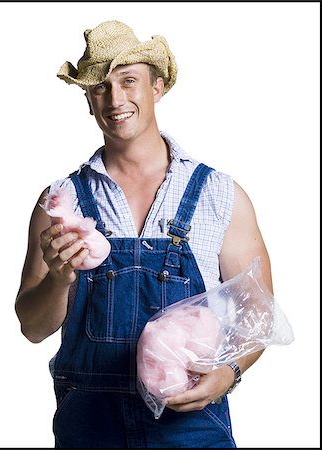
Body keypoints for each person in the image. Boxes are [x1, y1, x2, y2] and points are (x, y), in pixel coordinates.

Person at [15, 20, 273, 448]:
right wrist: (59, 280)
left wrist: (230, 372)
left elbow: (256, 311)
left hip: (189, 424)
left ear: (157, 88)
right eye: (100, 87)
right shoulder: (61, 202)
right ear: (88, 100)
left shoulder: (218, 195)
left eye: (129, 81)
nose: (115, 99)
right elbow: (31, 326)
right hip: (89, 426)